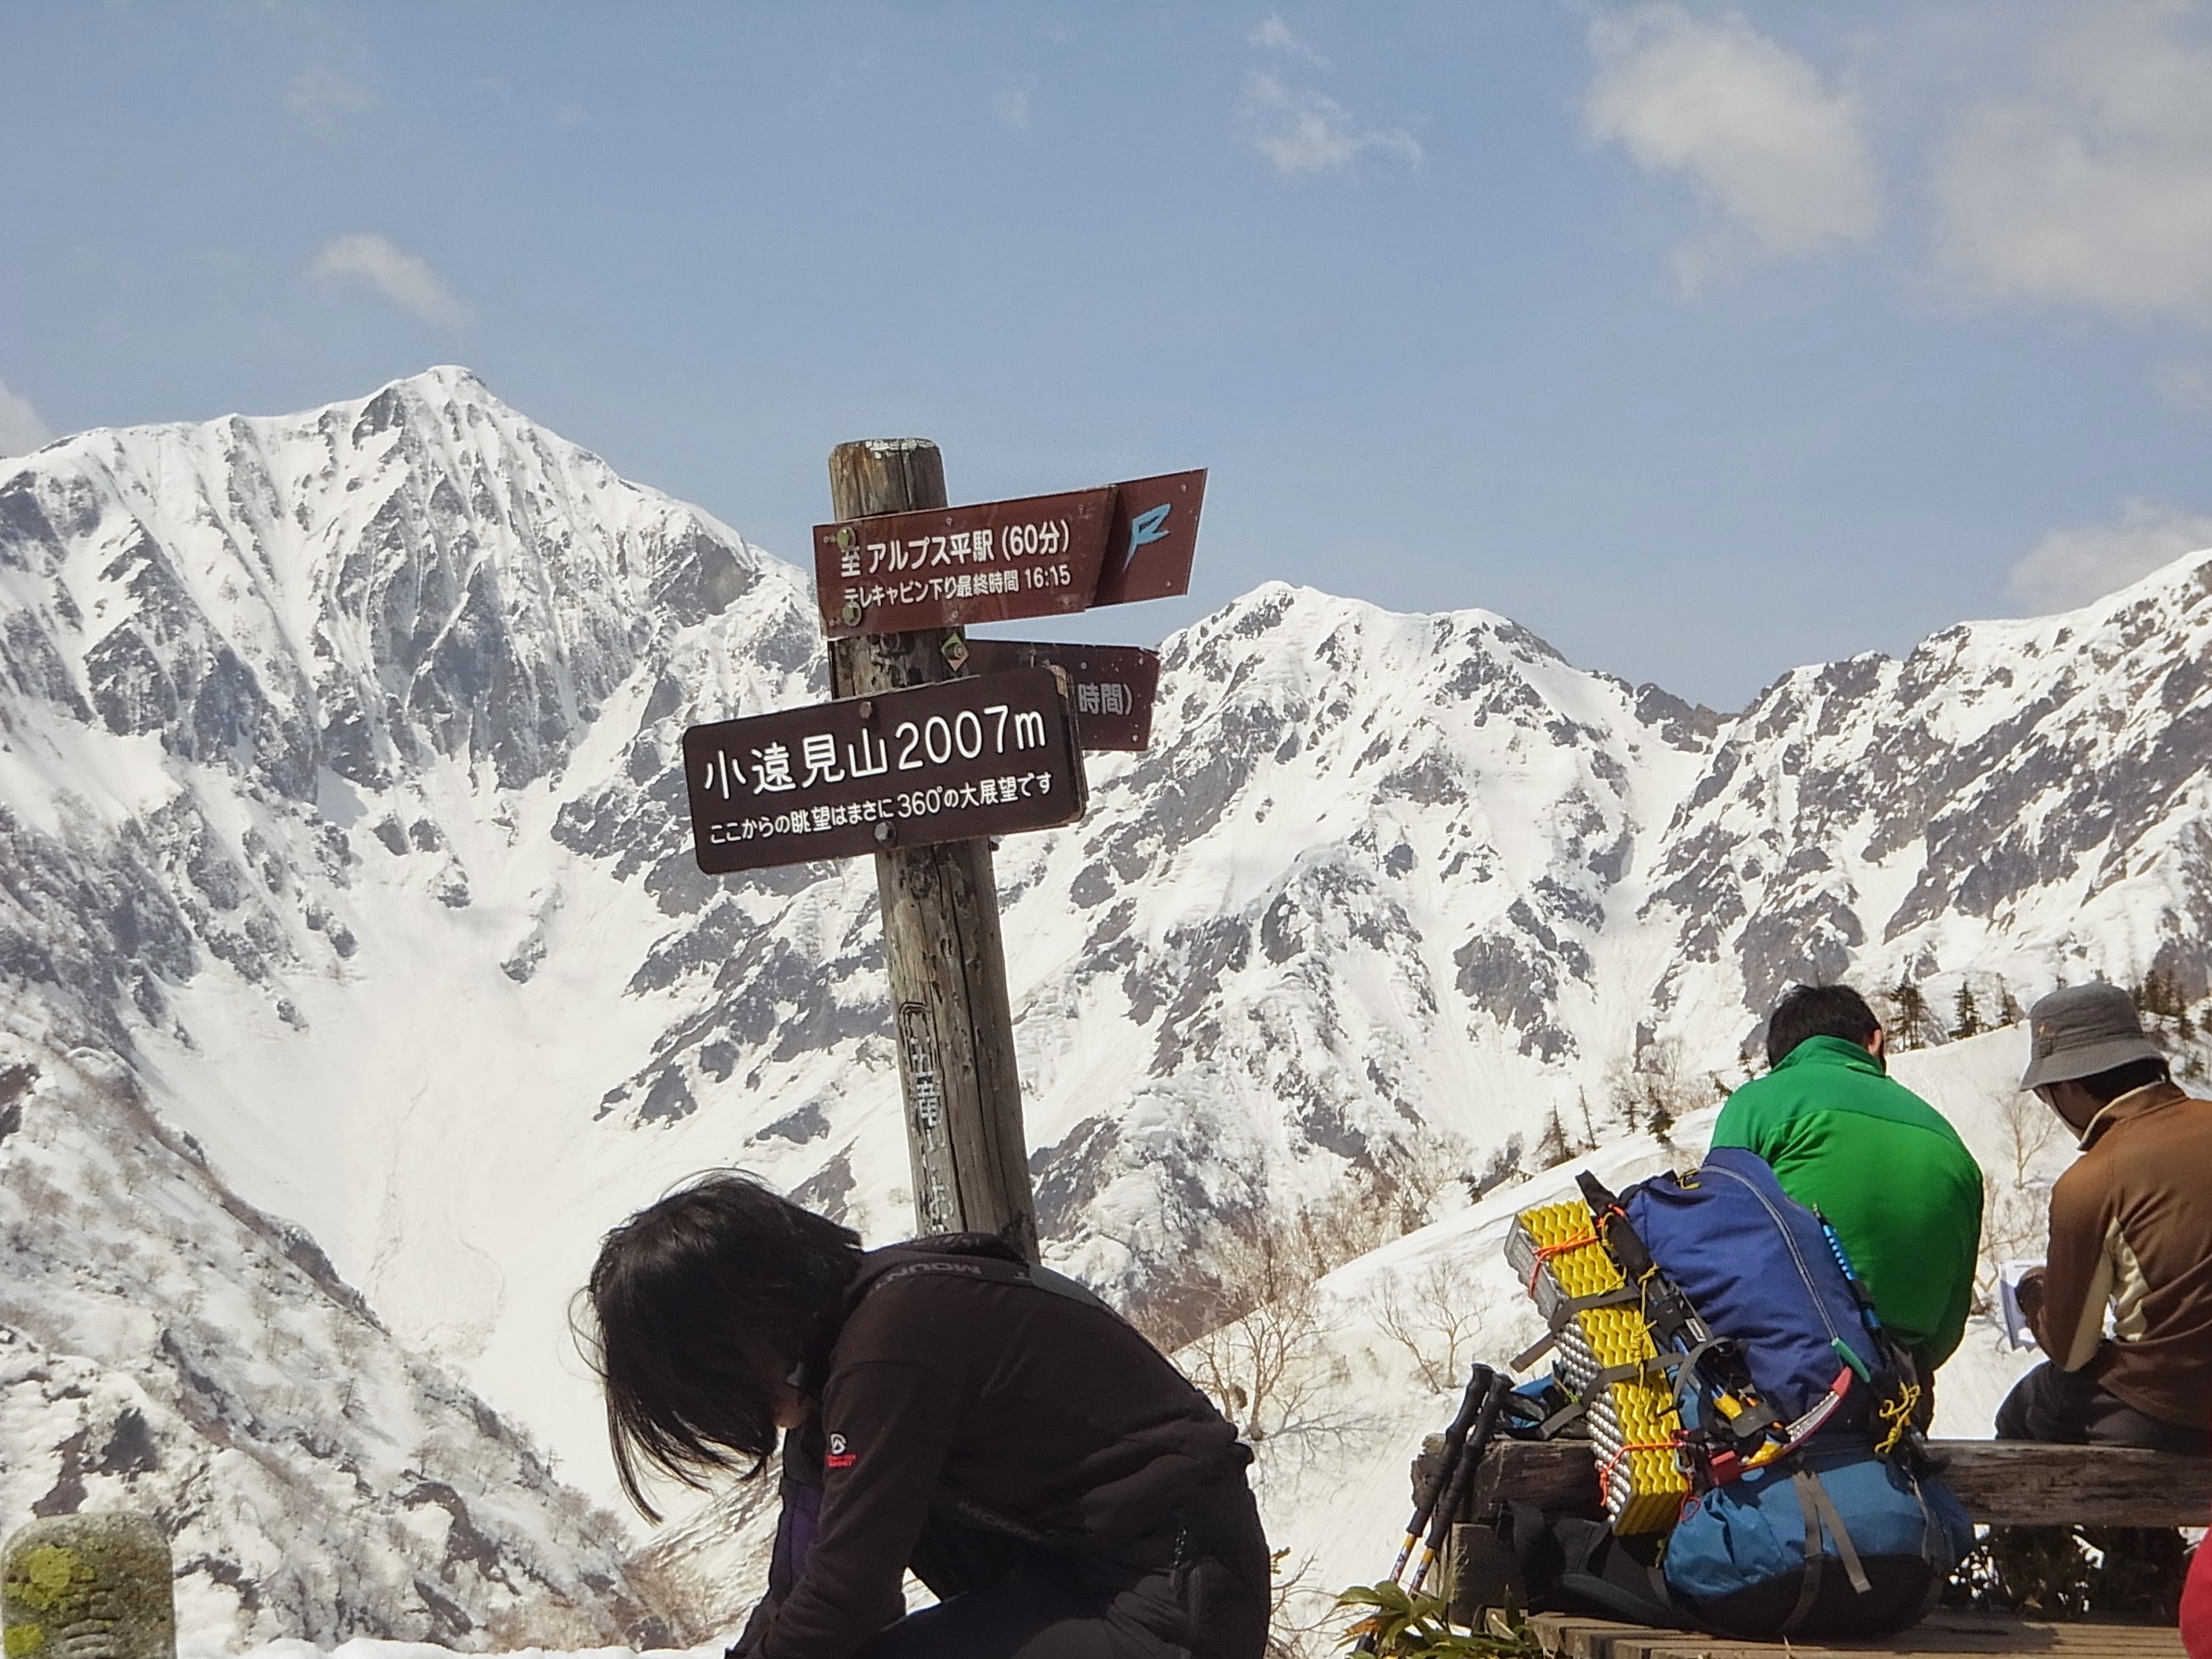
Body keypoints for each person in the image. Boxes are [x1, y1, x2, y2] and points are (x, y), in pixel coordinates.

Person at [581, 1174, 1270, 1659]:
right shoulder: (839, 1360)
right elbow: (802, 1582)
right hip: (1098, 1578)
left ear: (742, 1336)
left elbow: (849, 1596)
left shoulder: (887, 1350)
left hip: (1171, 1596)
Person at [1708, 983, 1985, 1409]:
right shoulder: (1948, 1140)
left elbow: (1712, 1235)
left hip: (1778, 1374)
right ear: (1874, 1041)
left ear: (1781, 1059)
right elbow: (1949, 1322)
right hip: (1901, 1388)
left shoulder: (1758, 1104)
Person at [1997, 983, 2212, 1455]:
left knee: (2031, 1404)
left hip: (2174, 1408)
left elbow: (2072, 1350)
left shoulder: (2091, 1182)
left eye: (2046, 1094)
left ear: (2070, 1087)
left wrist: (2034, 1293)